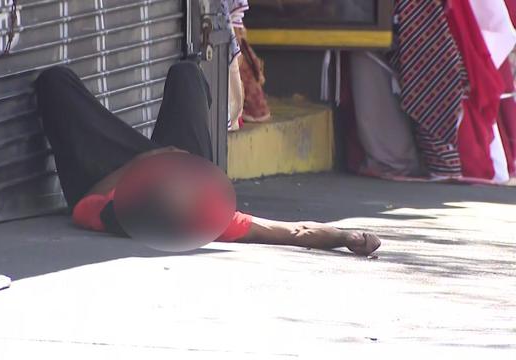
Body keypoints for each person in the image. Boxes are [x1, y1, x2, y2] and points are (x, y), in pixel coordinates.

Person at [35, 60, 381, 256]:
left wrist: (151, 161)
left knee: (55, 83)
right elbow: (293, 231)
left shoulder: (101, 211)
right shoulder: (210, 217)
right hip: (159, 163)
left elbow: (88, 198)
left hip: (107, 174)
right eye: (186, 189)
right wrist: (345, 237)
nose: (189, 187)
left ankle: (158, 159)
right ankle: (168, 158)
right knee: (188, 73)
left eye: (180, 187)